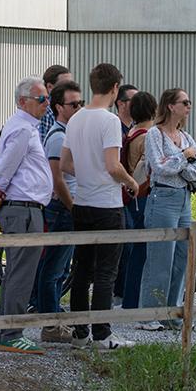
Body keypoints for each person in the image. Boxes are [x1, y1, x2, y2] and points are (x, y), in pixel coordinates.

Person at [60, 62, 138, 350]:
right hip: (107, 204)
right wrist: (131, 181)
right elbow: (113, 165)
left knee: (82, 270)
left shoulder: (77, 118)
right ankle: (102, 335)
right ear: (115, 88)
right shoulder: (109, 122)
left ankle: (80, 334)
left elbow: (66, 165)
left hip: (82, 202)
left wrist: (87, 175)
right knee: (106, 272)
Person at [0, 76, 53, 355]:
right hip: (23, 209)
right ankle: (11, 333)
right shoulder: (23, 129)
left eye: (47, 98)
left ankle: (10, 330)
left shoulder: (24, 127)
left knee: (17, 272)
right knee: (21, 274)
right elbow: (3, 169)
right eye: (41, 99)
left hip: (25, 208)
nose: (46, 104)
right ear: (23, 101)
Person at [138, 89, 196, 330]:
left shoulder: (186, 136)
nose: (189, 106)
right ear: (170, 106)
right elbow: (159, 167)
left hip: (184, 198)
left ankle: (172, 311)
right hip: (163, 198)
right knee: (160, 257)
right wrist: (183, 158)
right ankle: (149, 314)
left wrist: (181, 163)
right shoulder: (154, 135)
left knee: (182, 258)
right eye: (184, 102)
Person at [35, 80, 81, 343]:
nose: (78, 108)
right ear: (58, 107)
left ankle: (53, 321)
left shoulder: (68, 134)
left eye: (80, 103)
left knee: (59, 270)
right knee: (52, 270)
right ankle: (50, 326)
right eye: (73, 104)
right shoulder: (58, 137)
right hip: (61, 208)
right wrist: (72, 207)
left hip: (66, 206)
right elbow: (57, 180)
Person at [118, 90, 156, 310]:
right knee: (142, 252)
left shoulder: (132, 132)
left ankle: (129, 298)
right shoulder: (148, 135)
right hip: (144, 194)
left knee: (135, 252)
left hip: (132, 196)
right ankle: (135, 300)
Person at [37, 64, 73, 140]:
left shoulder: (66, 106)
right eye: (65, 85)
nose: (71, 88)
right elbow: (44, 146)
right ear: (50, 87)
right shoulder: (47, 112)